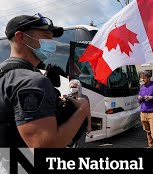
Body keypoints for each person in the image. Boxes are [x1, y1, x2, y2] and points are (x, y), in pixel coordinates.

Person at [0, 14, 90, 148]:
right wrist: (83, 109)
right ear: (21, 37)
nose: (52, 42)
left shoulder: (5, 73)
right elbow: (46, 145)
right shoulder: (32, 82)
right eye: (46, 36)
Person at [67, 79, 92, 148]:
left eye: (74, 87)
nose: (72, 89)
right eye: (71, 87)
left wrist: (89, 125)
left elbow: (88, 113)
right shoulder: (68, 97)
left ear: (79, 88)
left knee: (80, 145)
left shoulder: (85, 98)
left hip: (81, 126)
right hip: (70, 126)